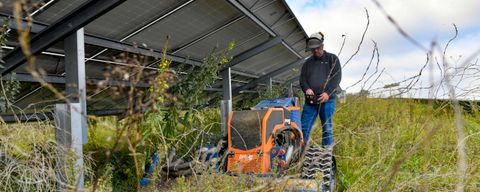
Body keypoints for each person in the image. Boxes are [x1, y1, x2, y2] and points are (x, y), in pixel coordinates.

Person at [300, 32, 342, 148]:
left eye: (317, 49)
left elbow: (337, 78)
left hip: (327, 100)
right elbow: (302, 79)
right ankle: (301, 152)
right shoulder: (307, 63)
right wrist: (307, 88)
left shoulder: (332, 59)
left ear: (322, 46)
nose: (315, 52)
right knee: (304, 127)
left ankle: (326, 152)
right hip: (311, 102)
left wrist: (327, 93)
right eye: (313, 50)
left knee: (327, 128)